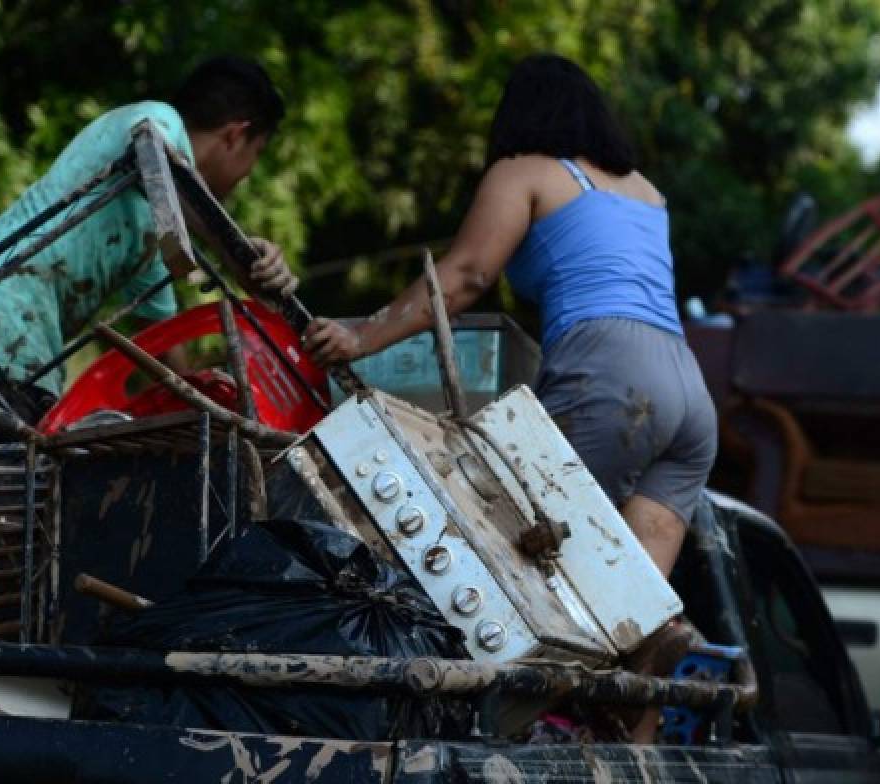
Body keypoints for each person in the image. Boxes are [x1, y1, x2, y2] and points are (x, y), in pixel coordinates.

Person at [304, 53, 717, 737]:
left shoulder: (524, 170)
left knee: (516, 549)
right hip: (687, 389)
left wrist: (360, 336)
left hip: (608, 369)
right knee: (631, 607)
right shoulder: (645, 190)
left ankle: (490, 725)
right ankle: (634, 730)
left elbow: (464, 276)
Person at [0, 55, 298, 424]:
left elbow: (162, 341)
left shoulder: (150, 228)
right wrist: (237, 256)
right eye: (257, 154)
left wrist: (205, 405)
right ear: (235, 135)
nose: (248, 173)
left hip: (8, 365)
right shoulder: (156, 120)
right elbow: (158, 156)